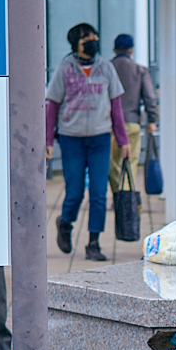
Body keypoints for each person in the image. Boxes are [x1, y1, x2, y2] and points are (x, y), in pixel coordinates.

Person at [45, 21, 130, 262]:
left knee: (99, 192)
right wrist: (47, 140)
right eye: (87, 37)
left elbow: (116, 106)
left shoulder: (105, 68)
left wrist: (123, 141)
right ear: (76, 43)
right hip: (72, 139)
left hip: (101, 138)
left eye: (94, 36)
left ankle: (94, 242)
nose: (93, 40)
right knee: (74, 191)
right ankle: (65, 222)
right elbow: (52, 106)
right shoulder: (65, 68)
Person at [107, 32, 159, 191]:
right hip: (131, 124)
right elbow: (150, 97)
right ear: (131, 50)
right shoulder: (139, 70)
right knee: (130, 163)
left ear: (114, 49)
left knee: (110, 164)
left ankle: (119, 194)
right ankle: (127, 198)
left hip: (107, 125)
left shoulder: (106, 69)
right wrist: (152, 120)